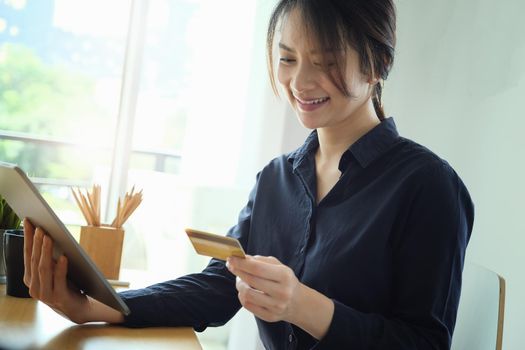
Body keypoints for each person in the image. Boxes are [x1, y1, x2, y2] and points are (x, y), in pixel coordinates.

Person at [23, 0, 474, 349]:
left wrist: (305, 307)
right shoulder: (277, 179)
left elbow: (425, 342)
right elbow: (218, 286)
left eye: (326, 61)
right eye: (288, 58)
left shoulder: (428, 186)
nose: (300, 81)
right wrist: (101, 307)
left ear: (378, 64)